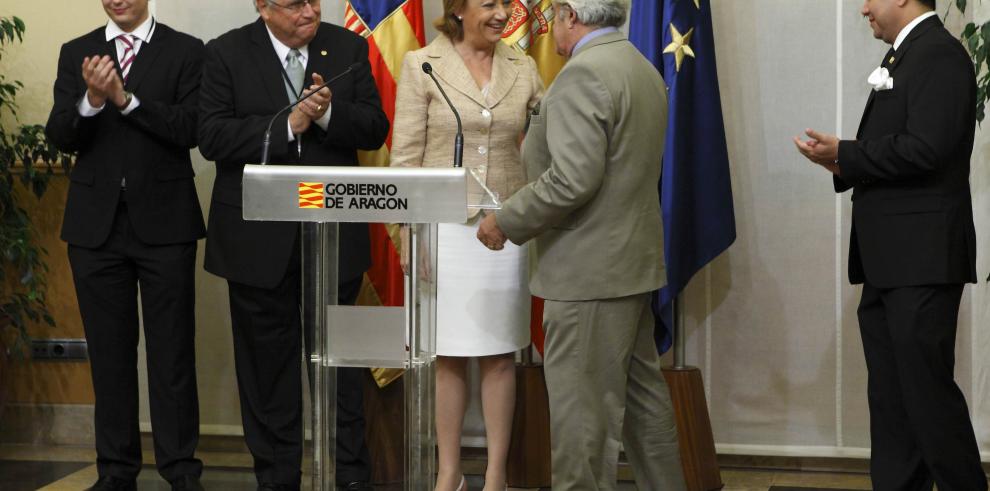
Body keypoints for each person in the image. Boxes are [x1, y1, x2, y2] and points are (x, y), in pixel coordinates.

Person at [476, 1, 686, 489]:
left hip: (588, 274)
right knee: (642, 407)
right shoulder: (640, 66)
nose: (549, 26)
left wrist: (505, 221)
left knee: (581, 423)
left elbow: (571, 180)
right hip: (629, 266)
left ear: (572, 14)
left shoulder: (582, 75)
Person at [794, 0, 987, 489]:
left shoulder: (938, 54)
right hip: (890, 262)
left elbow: (928, 147)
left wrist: (850, 152)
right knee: (893, 400)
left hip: (921, 261)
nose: (863, 9)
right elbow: (906, 148)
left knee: (926, 398)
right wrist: (843, 163)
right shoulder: (905, 55)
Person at [197, 0, 389, 489]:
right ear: (262, 6)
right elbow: (213, 136)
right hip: (257, 246)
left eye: (313, 1)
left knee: (342, 373)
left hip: (335, 241)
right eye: (293, 3)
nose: (308, 11)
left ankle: (349, 476)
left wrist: (326, 115)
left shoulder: (347, 46)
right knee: (267, 376)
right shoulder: (226, 53)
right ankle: (277, 478)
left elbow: (374, 126)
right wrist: (290, 125)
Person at [44, 1, 206, 490]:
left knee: (172, 354)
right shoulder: (78, 51)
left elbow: (190, 129)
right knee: (110, 357)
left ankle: (180, 470)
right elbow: (60, 135)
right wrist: (90, 101)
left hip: (165, 224)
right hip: (95, 230)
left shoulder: (186, 50)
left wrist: (123, 98)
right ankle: (116, 471)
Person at [389, 0, 543, 489]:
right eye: (490, 4)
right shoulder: (423, 64)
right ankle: (448, 473)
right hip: (442, 231)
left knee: (499, 354)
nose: (502, 14)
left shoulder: (524, 65)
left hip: (506, 230)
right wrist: (409, 237)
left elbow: (544, 143)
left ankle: (496, 474)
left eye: (506, 4)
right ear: (458, 9)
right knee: (448, 353)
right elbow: (405, 160)